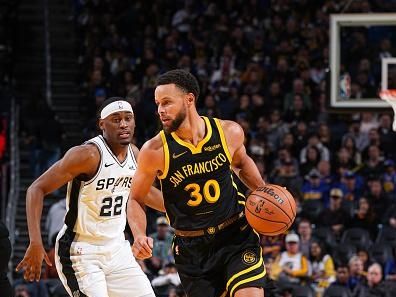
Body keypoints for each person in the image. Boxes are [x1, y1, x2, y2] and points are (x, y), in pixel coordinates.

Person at [128, 69, 269, 297]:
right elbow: (135, 197)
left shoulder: (227, 132)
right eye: (157, 104)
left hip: (235, 233)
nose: (160, 110)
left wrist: (263, 193)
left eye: (166, 103)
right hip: (192, 248)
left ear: (189, 99)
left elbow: (242, 163)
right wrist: (139, 234)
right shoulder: (155, 150)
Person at [16, 98, 164, 297]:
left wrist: (185, 211)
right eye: (115, 119)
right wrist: (35, 241)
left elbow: (143, 193)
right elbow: (36, 188)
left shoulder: (135, 155)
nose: (123, 124)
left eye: (128, 118)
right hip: (81, 251)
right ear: (101, 124)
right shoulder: (87, 155)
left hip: (117, 249)